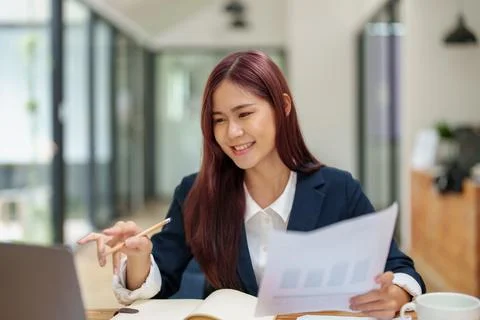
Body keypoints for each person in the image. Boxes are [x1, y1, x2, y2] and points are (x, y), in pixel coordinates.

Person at [78, 50, 425, 319]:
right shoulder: (196, 193)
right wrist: (139, 258)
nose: (232, 133)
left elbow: (401, 268)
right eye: (219, 120)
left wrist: (396, 294)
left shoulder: (338, 190)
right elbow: (159, 286)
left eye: (244, 114)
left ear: (282, 107)